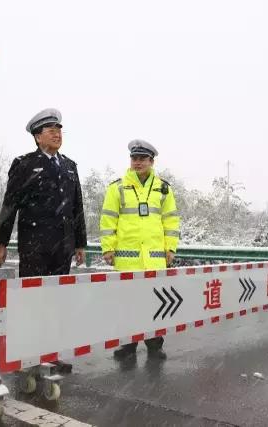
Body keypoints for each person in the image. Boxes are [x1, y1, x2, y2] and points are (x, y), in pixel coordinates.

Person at [100, 140, 180, 361]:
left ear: (151, 161)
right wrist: (108, 248)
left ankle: (155, 345)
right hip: (128, 259)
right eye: (134, 159)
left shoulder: (163, 188)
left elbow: (171, 221)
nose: (138, 163)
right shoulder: (117, 187)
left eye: (142, 159)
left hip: (155, 258)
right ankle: (128, 346)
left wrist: (170, 248)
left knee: (156, 303)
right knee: (127, 304)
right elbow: (108, 220)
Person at [0, 108, 87, 277]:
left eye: (59, 131)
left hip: (64, 248)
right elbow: (10, 205)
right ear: (37, 137)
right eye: (51, 131)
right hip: (34, 248)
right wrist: (1, 243)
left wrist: (80, 244)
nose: (57, 135)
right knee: (32, 298)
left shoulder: (69, 166)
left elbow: (77, 207)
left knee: (59, 297)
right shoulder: (24, 164)